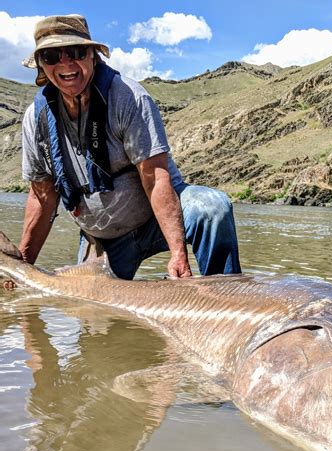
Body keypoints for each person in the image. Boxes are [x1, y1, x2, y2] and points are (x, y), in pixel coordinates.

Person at [18, 14, 241, 280]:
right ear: (42, 66)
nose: (65, 63)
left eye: (76, 51)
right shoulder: (36, 118)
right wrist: (22, 265)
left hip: (155, 222)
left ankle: (228, 298)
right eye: (52, 57)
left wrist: (178, 253)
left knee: (212, 208)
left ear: (93, 56)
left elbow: (155, 178)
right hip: (103, 239)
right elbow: (42, 197)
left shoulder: (129, 97)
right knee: (91, 318)